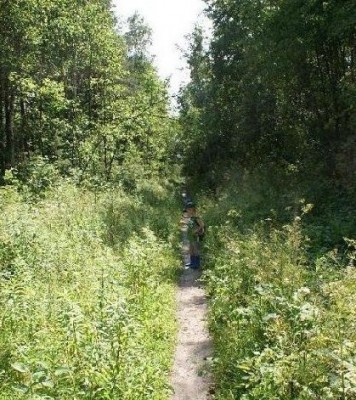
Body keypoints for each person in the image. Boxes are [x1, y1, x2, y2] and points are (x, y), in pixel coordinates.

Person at [185, 201, 204, 269]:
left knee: (196, 250)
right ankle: (192, 263)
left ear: (193, 209)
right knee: (191, 250)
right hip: (191, 237)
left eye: (189, 209)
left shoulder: (196, 217)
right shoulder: (191, 218)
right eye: (187, 210)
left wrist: (196, 231)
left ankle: (196, 264)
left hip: (195, 237)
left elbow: (202, 225)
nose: (187, 211)